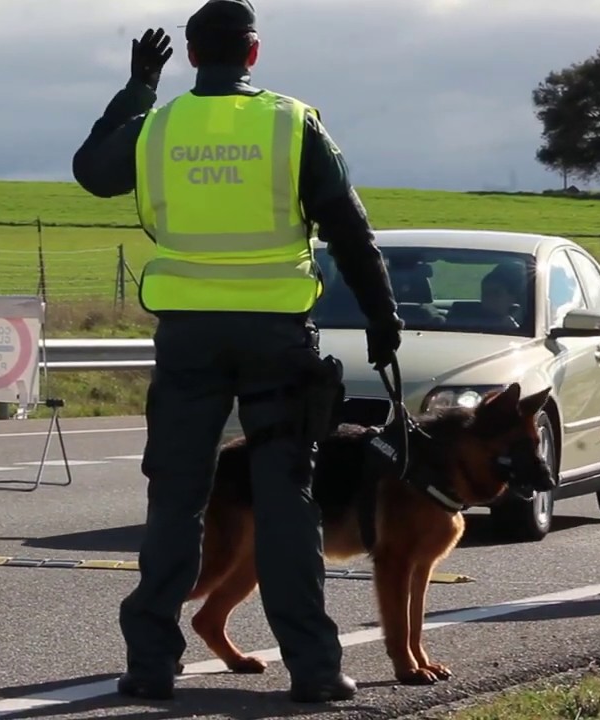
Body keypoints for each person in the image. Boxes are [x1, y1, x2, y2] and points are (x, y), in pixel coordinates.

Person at [70, 0, 403, 704]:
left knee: (176, 499)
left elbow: (92, 173)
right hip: (276, 337)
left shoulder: (155, 126)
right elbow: (349, 227)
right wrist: (382, 317)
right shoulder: (291, 123)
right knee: (286, 502)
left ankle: (151, 667)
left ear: (190, 56)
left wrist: (137, 89)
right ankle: (314, 671)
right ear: (253, 55)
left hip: (188, 337)